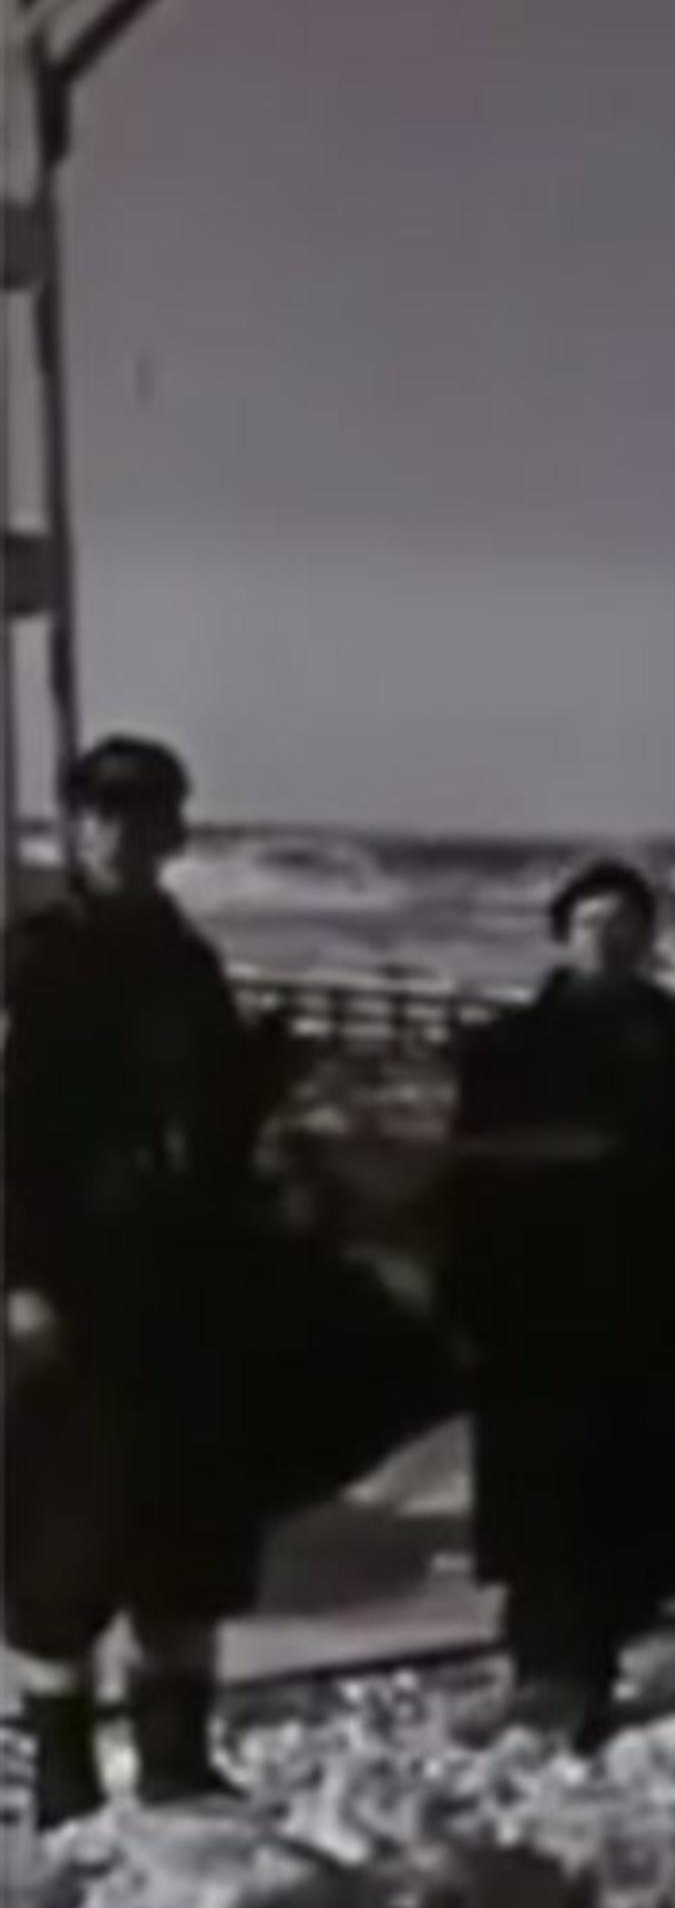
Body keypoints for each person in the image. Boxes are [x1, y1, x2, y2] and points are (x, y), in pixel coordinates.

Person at [434, 858, 675, 1749]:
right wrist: (462, 1296)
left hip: (652, 1304)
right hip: (541, 1308)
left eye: (628, 924)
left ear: (649, 940)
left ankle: (589, 1657)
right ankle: (552, 1673)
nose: (610, 938)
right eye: (593, 921)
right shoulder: (511, 1048)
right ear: (562, 935)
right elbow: (471, 1180)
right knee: (549, 1504)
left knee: (637, 1501)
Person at [3, 734, 280, 1822]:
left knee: (186, 1535)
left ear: (173, 833)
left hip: (181, 1292)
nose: (122, 833)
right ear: (75, 827)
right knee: (63, 1547)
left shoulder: (187, 963)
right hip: (70, 1293)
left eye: (144, 813)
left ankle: (177, 1761)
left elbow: (211, 1129)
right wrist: (19, 1279)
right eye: (102, 813)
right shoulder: (33, 957)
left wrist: (253, 1088)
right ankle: (64, 1777)